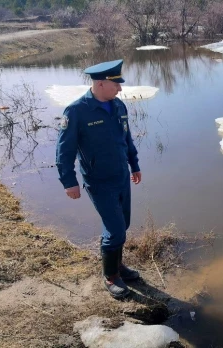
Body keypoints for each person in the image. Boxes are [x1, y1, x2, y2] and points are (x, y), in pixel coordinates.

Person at [56, 59, 142, 299]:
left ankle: (118, 265)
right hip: (99, 181)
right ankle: (110, 276)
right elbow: (64, 151)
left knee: (122, 225)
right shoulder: (76, 111)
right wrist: (69, 182)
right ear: (101, 84)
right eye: (116, 85)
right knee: (114, 230)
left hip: (121, 176)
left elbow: (127, 140)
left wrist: (134, 165)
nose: (120, 89)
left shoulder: (118, 107)